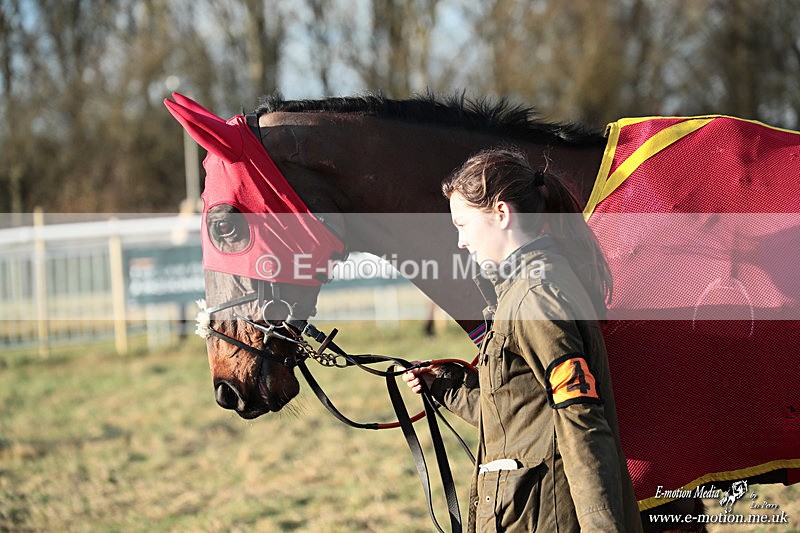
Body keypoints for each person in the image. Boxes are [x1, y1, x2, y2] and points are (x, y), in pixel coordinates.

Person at [403, 147, 643, 532]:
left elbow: (580, 420)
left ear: (501, 214)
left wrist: (604, 527)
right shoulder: (521, 291)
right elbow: (520, 417)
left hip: (546, 519)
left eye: (463, 225)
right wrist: (446, 388)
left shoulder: (536, 297)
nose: (461, 242)